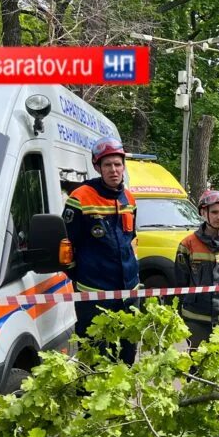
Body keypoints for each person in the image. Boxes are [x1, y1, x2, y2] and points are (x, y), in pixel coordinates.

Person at [64, 136, 140, 365]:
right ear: (97, 167)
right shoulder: (80, 198)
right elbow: (66, 246)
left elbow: (132, 240)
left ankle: (124, 397)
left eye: (118, 164)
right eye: (107, 165)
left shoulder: (129, 198)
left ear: (124, 166)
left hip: (128, 291)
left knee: (127, 352)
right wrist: (82, 277)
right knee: (94, 355)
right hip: (94, 293)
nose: (114, 170)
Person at [175, 190, 219, 383]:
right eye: (214, 212)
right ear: (203, 213)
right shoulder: (187, 244)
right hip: (197, 314)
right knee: (198, 363)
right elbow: (181, 282)